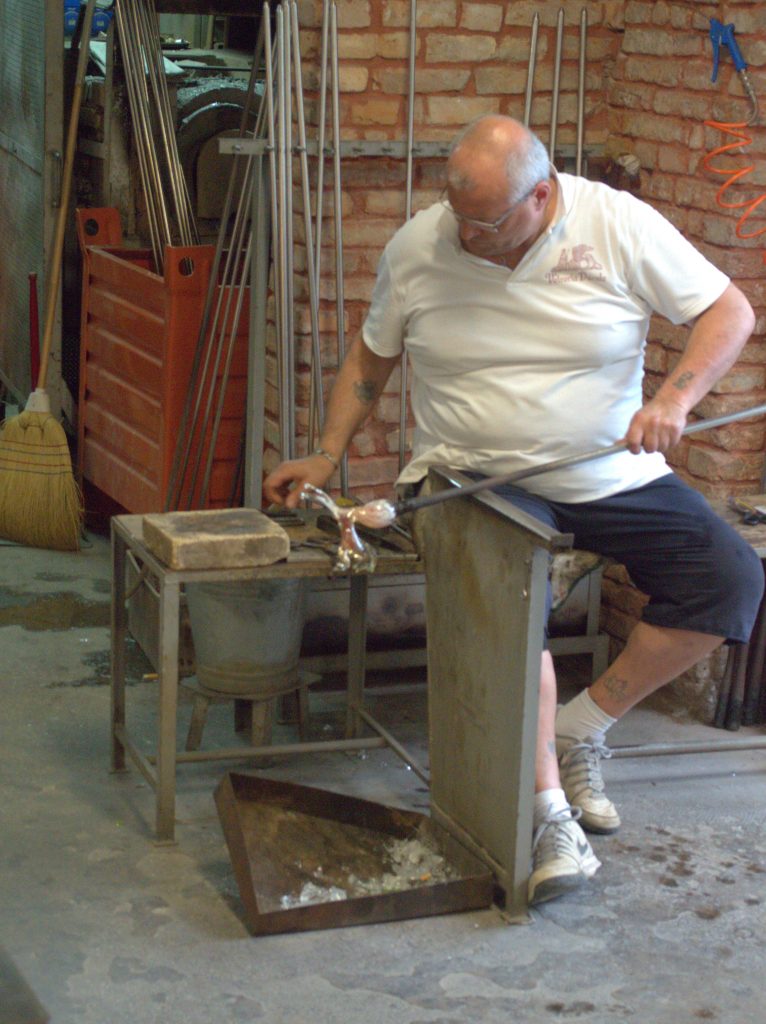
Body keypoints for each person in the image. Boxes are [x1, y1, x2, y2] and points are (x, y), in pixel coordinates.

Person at [263, 115, 764, 905]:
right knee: (517, 587)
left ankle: (581, 728)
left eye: (486, 223)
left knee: (730, 578)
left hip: (603, 468)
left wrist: (675, 398)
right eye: (457, 217)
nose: (466, 236)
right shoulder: (422, 245)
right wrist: (327, 453)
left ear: (542, 196)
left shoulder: (616, 224)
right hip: (472, 476)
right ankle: (545, 815)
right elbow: (373, 350)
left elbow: (729, 311)